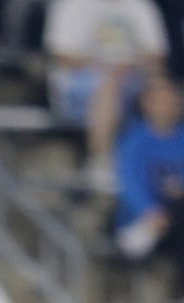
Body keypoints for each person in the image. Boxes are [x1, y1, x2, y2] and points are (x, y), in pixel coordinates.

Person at [114, 75, 184, 300]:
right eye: (159, 100)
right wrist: (149, 211)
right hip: (146, 218)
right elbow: (128, 182)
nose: (165, 106)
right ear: (146, 105)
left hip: (182, 218)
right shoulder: (134, 141)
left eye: (169, 101)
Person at [46, 0, 170, 180]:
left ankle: (168, 158)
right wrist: (105, 66)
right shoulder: (71, 5)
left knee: (161, 87)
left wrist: (132, 63)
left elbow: (156, 55)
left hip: (130, 79)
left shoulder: (141, 6)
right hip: (79, 83)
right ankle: (101, 160)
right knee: (108, 83)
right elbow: (62, 55)